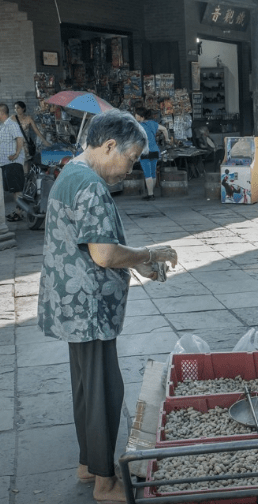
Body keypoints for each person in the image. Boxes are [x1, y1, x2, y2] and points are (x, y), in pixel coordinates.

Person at [37, 109, 178, 504]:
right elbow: (104, 253)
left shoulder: (71, 172)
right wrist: (151, 253)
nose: (130, 167)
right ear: (109, 145)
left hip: (71, 304)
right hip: (88, 309)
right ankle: (104, 482)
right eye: (130, 158)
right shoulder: (91, 186)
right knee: (104, 391)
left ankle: (89, 465)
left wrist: (141, 264)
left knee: (87, 388)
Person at [134, 107, 170, 200]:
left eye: (136, 115)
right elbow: (164, 129)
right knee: (153, 172)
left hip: (145, 151)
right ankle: (152, 192)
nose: (135, 116)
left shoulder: (138, 126)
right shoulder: (153, 123)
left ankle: (150, 195)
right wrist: (167, 139)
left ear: (141, 116)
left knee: (147, 173)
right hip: (155, 150)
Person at [0, 103, 25, 222]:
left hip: (13, 163)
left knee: (17, 190)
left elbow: (20, 139)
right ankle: (17, 211)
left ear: (1, 112)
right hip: (6, 163)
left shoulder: (11, 124)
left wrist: (16, 154)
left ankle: (19, 213)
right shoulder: (4, 126)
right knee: (13, 190)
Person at [12, 101, 52, 173]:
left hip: (25, 146)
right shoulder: (12, 118)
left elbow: (36, 131)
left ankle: (26, 180)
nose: (16, 110)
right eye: (15, 108)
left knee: (25, 164)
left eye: (18, 108)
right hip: (15, 145)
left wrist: (44, 141)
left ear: (23, 108)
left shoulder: (28, 118)